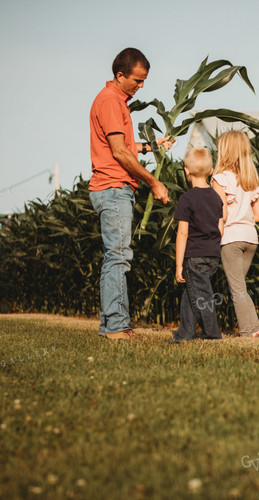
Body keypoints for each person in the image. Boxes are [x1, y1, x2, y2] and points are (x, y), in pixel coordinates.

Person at [89, 47, 174, 341]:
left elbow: (125, 146)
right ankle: (115, 326)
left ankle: (114, 324)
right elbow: (119, 153)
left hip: (114, 188)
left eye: (144, 82)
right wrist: (153, 182)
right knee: (117, 257)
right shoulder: (111, 101)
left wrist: (152, 146)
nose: (140, 87)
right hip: (113, 188)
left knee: (118, 255)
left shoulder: (116, 101)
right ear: (120, 75)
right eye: (137, 81)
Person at [211, 130, 259, 338]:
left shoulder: (220, 179)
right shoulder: (250, 180)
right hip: (250, 238)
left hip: (231, 239)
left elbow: (221, 214)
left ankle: (246, 332)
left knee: (237, 289)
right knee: (240, 286)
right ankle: (255, 329)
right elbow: (258, 215)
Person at [172, 147, 225, 343]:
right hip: (213, 255)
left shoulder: (187, 199)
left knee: (202, 296)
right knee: (191, 293)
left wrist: (179, 265)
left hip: (194, 256)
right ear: (211, 171)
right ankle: (184, 333)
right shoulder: (216, 198)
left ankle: (212, 334)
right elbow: (220, 228)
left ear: (186, 170)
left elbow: (183, 233)